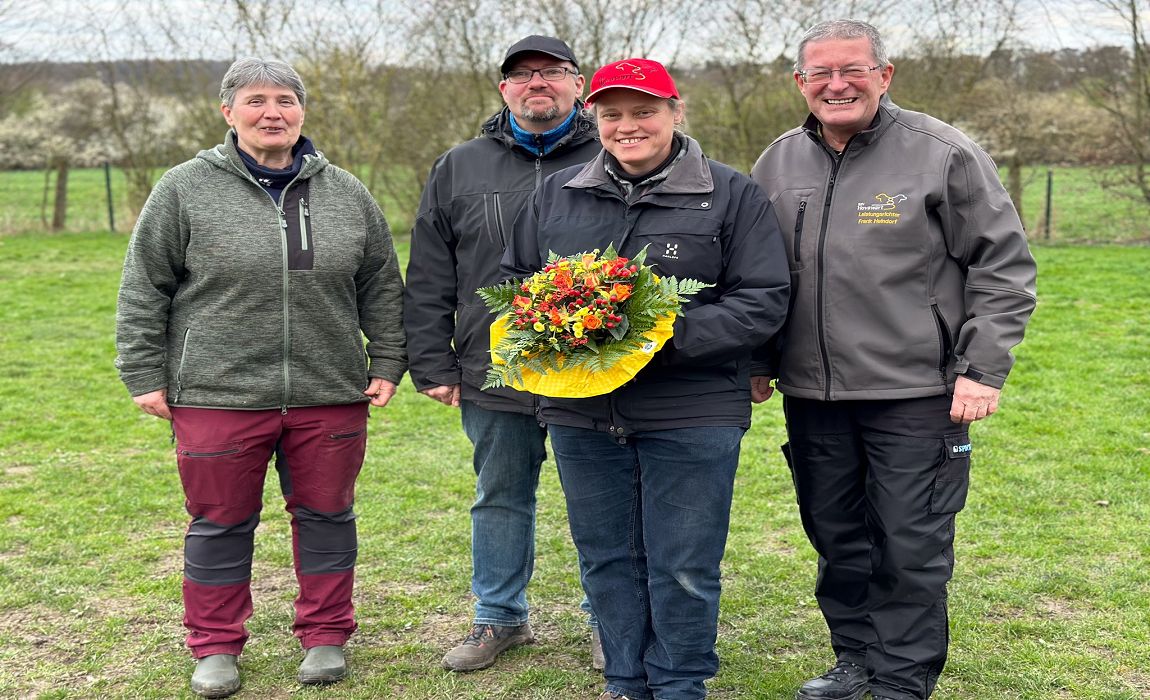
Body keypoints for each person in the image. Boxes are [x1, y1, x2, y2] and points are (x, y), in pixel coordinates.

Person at [751, 19, 1038, 700]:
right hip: (814, 395)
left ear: (885, 75)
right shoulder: (777, 162)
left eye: (853, 69)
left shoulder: (942, 154)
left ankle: (902, 681)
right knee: (837, 536)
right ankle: (855, 661)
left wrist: (982, 366)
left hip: (917, 393)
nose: (837, 84)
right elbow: (760, 274)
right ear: (800, 83)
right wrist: (758, 360)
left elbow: (1004, 267)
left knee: (910, 545)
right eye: (821, 72)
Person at [114, 58, 407, 698]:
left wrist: (387, 359)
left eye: (285, 99)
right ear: (229, 112)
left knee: (329, 515)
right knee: (219, 522)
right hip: (218, 392)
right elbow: (144, 287)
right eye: (255, 100)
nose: (272, 111)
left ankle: (326, 635)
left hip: (329, 391)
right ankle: (215, 646)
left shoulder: (347, 193)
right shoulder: (184, 189)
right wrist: (142, 371)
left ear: (302, 111)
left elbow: (382, 284)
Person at [502, 58, 790, 700]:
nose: (627, 126)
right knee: (606, 558)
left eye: (644, 111)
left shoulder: (731, 193)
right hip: (580, 412)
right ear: (592, 118)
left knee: (683, 564)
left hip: (693, 409)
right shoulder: (556, 194)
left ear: (675, 111)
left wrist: (652, 343)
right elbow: (516, 283)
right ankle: (626, 681)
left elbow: (763, 298)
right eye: (612, 115)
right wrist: (555, 327)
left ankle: (681, 682)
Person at [403, 35, 604, 672]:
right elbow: (432, 270)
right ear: (503, 90)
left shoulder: (617, 152)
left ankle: (610, 617)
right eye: (522, 75)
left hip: (595, 368)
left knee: (597, 497)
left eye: (551, 72)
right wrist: (432, 362)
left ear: (579, 83)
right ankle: (499, 618)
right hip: (495, 368)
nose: (536, 83)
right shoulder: (459, 166)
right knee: (500, 494)